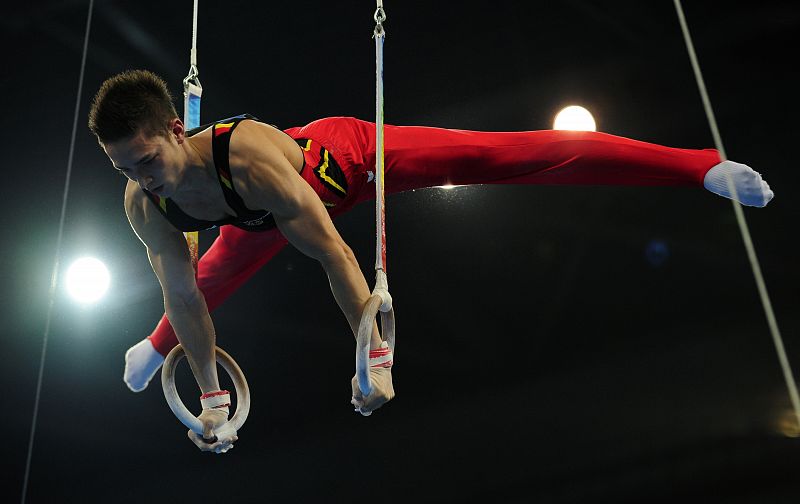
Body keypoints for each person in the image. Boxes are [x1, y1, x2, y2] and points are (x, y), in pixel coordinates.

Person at [88, 69, 773, 453]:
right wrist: (211, 401)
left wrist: (374, 357)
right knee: (199, 284)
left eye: (146, 160)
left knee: (510, 155)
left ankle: (699, 168)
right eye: (125, 168)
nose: (142, 178)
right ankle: (152, 351)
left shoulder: (248, 158)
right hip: (251, 219)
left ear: (177, 130)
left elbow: (330, 252)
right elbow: (186, 298)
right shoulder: (144, 203)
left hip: (344, 164)